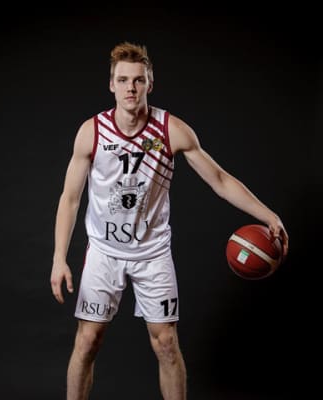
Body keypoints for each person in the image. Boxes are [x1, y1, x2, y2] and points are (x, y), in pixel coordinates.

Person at [50, 41, 289, 400]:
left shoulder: (171, 130)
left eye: (138, 80)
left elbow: (219, 179)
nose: (131, 88)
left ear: (150, 83)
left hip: (153, 253)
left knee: (166, 344)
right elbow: (69, 199)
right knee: (87, 340)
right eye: (123, 80)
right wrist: (59, 258)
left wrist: (269, 214)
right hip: (104, 251)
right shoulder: (92, 132)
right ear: (111, 84)